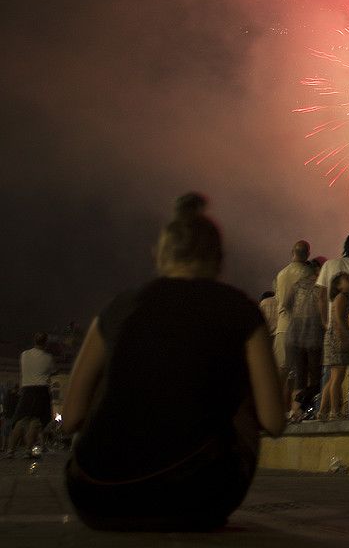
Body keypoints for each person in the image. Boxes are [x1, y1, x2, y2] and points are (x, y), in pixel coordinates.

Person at [60, 193, 284, 532]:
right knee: (239, 396)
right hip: (195, 498)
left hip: (95, 496)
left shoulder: (118, 308)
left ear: (159, 254)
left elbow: (71, 417)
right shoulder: (240, 310)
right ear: (219, 258)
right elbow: (273, 420)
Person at [282, 260, 325, 422]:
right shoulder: (321, 286)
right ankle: (313, 410)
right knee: (315, 377)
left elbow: (286, 305)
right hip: (314, 334)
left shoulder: (297, 285)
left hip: (294, 334)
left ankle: (296, 412)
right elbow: (323, 308)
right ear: (317, 270)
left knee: (299, 377)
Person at [273, 240, 312, 409]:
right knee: (299, 374)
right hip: (301, 329)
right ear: (307, 254)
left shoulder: (281, 274)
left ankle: (273, 410)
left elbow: (278, 299)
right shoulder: (309, 273)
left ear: (292, 252)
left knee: (281, 372)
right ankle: (295, 411)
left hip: (282, 327)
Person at [318, 271, 349, 420]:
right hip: (338, 338)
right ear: (338, 286)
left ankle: (323, 411)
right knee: (337, 376)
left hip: (341, 337)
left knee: (334, 377)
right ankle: (335, 411)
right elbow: (338, 321)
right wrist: (346, 338)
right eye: (346, 279)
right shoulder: (341, 298)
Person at [5, 332, 55, 457]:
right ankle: (28, 450)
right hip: (41, 391)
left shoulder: (24, 354)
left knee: (20, 421)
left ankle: (11, 450)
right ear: (45, 342)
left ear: (34, 341)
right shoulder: (48, 357)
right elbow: (51, 373)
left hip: (27, 390)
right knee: (35, 421)